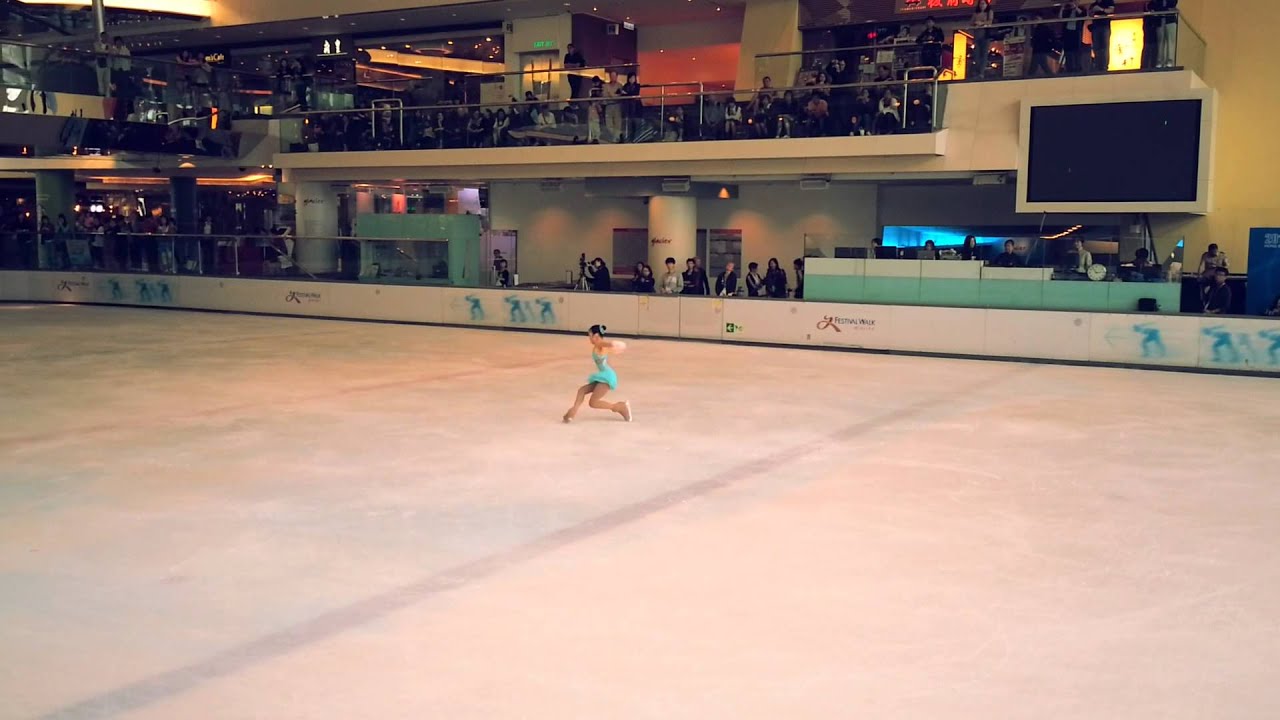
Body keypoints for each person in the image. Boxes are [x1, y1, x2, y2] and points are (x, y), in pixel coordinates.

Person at [563, 324, 632, 424]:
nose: (589, 338)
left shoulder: (599, 344)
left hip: (607, 377)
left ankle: (619, 407)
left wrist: (613, 344)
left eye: (590, 336)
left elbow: (603, 343)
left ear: (595, 336)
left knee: (593, 402)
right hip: (604, 375)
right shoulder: (598, 345)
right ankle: (574, 410)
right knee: (582, 390)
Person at [1060, 1, 1088, 73]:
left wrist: (1075, 7)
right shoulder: (1067, 10)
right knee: (1068, 51)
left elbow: (1083, 15)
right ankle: (1069, 68)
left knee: (1076, 50)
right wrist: (1062, 7)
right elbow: (1061, 18)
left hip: (1076, 32)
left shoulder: (1081, 9)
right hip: (1067, 33)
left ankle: (1078, 68)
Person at [1090, 0, 1116, 73]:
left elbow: (1111, 10)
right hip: (1095, 27)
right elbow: (1090, 14)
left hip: (1105, 26)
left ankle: (1104, 66)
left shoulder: (1109, 1)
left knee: (1104, 47)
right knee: (1096, 47)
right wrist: (1093, 11)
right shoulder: (1094, 4)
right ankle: (1097, 66)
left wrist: (1101, 9)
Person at [1152, 0, 1179, 69]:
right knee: (1160, 42)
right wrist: (1166, 9)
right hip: (1160, 20)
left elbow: (1173, 4)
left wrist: (1163, 9)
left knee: (1170, 41)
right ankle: (1159, 62)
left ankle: (1170, 61)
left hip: (1170, 20)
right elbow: (1154, 6)